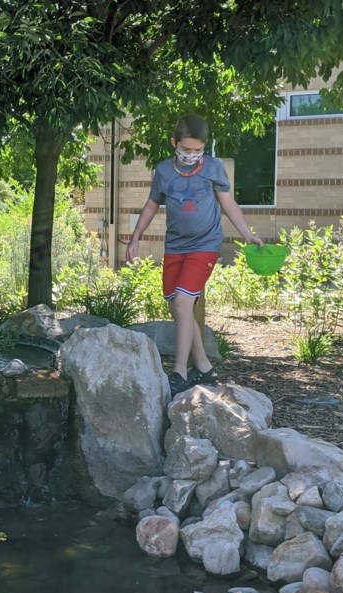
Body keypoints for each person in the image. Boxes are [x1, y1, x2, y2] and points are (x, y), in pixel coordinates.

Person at [125, 114, 263, 397]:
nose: (192, 155)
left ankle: (179, 372)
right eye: (186, 150)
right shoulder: (163, 171)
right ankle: (204, 366)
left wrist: (247, 234)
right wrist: (135, 237)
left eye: (197, 150)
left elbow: (228, 203)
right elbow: (151, 206)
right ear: (174, 143)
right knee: (177, 308)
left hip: (205, 245)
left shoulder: (213, 168)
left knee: (182, 301)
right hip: (175, 247)